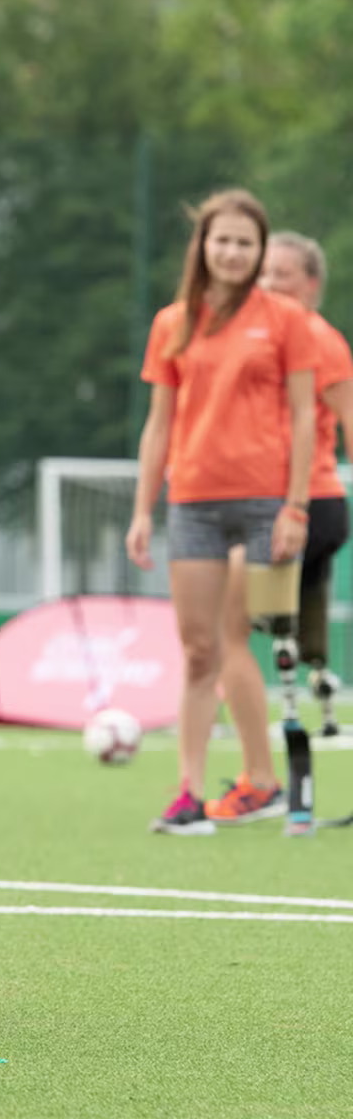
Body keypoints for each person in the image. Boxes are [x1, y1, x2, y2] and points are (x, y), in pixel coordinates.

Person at [126, 189, 316, 835]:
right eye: (222, 240)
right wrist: (142, 511)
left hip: (266, 505)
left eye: (245, 242)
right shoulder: (172, 324)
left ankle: (264, 780)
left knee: (243, 642)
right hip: (193, 505)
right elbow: (159, 426)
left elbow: (302, 417)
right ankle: (189, 793)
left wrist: (296, 505)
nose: (232, 252)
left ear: (259, 251)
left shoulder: (286, 319)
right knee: (199, 649)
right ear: (202, 247)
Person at [207, 231, 352, 823]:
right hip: (275, 506)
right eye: (263, 276)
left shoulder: (315, 337)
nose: (268, 286)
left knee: (228, 632)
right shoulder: (258, 336)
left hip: (306, 507)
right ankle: (265, 775)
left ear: (311, 285)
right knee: (254, 637)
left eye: (283, 277)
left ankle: (261, 781)